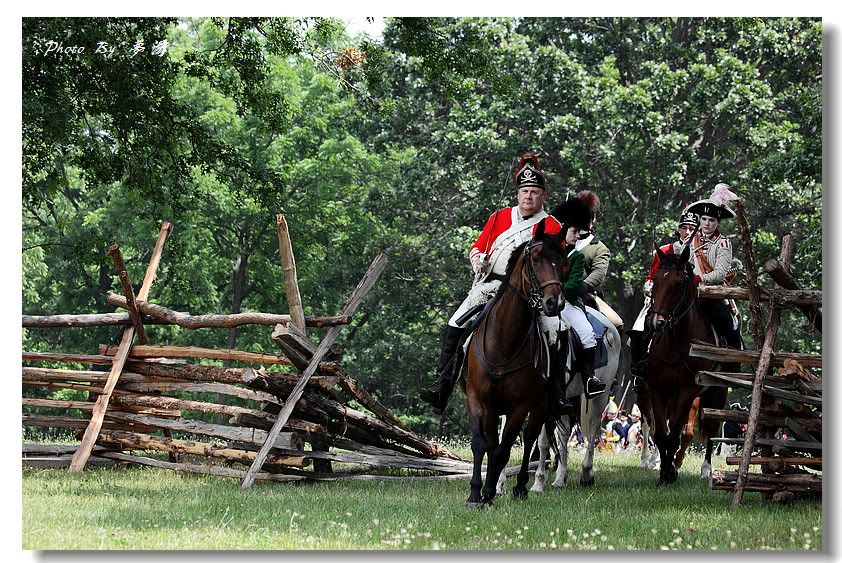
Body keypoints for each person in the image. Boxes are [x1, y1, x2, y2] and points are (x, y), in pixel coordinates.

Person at [419, 152, 562, 414]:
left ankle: (555, 395)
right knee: (455, 322)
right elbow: (477, 247)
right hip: (490, 286)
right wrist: (479, 261)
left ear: (543, 196)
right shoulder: (499, 217)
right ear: (518, 193)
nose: (528, 197)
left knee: (555, 333)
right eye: (524, 191)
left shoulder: (551, 225)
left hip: (532, 294)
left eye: (533, 192)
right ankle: (442, 386)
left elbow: (556, 262)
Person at [628, 209, 700, 391]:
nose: (688, 231)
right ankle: (639, 369)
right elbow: (652, 275)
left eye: (692, 228)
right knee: (639, 327)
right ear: (679, 229)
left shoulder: (700, 252)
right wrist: (649, 284)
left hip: (691, 299)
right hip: (663, 299)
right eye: (685, 227)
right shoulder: (666, 250)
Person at [551, 197, 608, 413]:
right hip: (547, 300)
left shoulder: (590, 251)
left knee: (592, 331)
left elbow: (591, 277)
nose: (578, 234)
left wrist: (571, 288)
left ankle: (589, 376)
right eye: (574, 230)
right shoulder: (550, 246)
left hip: (576, 298)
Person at [683, 183, 744, 365]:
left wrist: (698, 278)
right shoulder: (690, 240)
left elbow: (719, 274)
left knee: (728, 323)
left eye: (711, 220)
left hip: (712, 292)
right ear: (700, 220)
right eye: (704, 219)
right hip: (689, 289)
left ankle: (733, 362)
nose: (707, 224)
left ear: (717, 222)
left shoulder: (723, 244)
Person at [574, 190, 623, 329]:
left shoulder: (600, 248)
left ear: (593, 219)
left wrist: (581, 286)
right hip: (554, 292)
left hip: (585, 295)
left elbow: (598, 274)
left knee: (616, 323)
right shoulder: (560, 240)